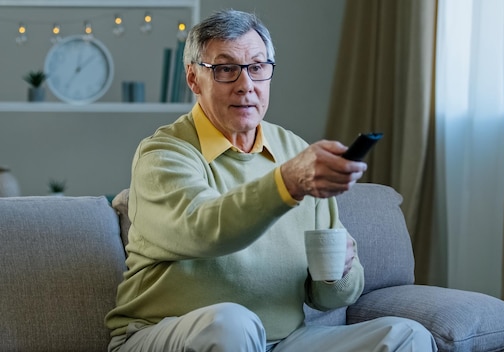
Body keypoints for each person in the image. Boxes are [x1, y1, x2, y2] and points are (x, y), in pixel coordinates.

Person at [105, 9, 437, 352]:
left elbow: (328, 298)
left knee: (407, 336)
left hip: (284, 341)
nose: (245, 84)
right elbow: (205, 229)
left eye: (257, 68)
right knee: (232, 324)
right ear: (193, 79)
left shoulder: (293, 150)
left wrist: (338, 273)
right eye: (225, 69)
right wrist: (288, 182)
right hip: (168, 333)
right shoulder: (164, 153)